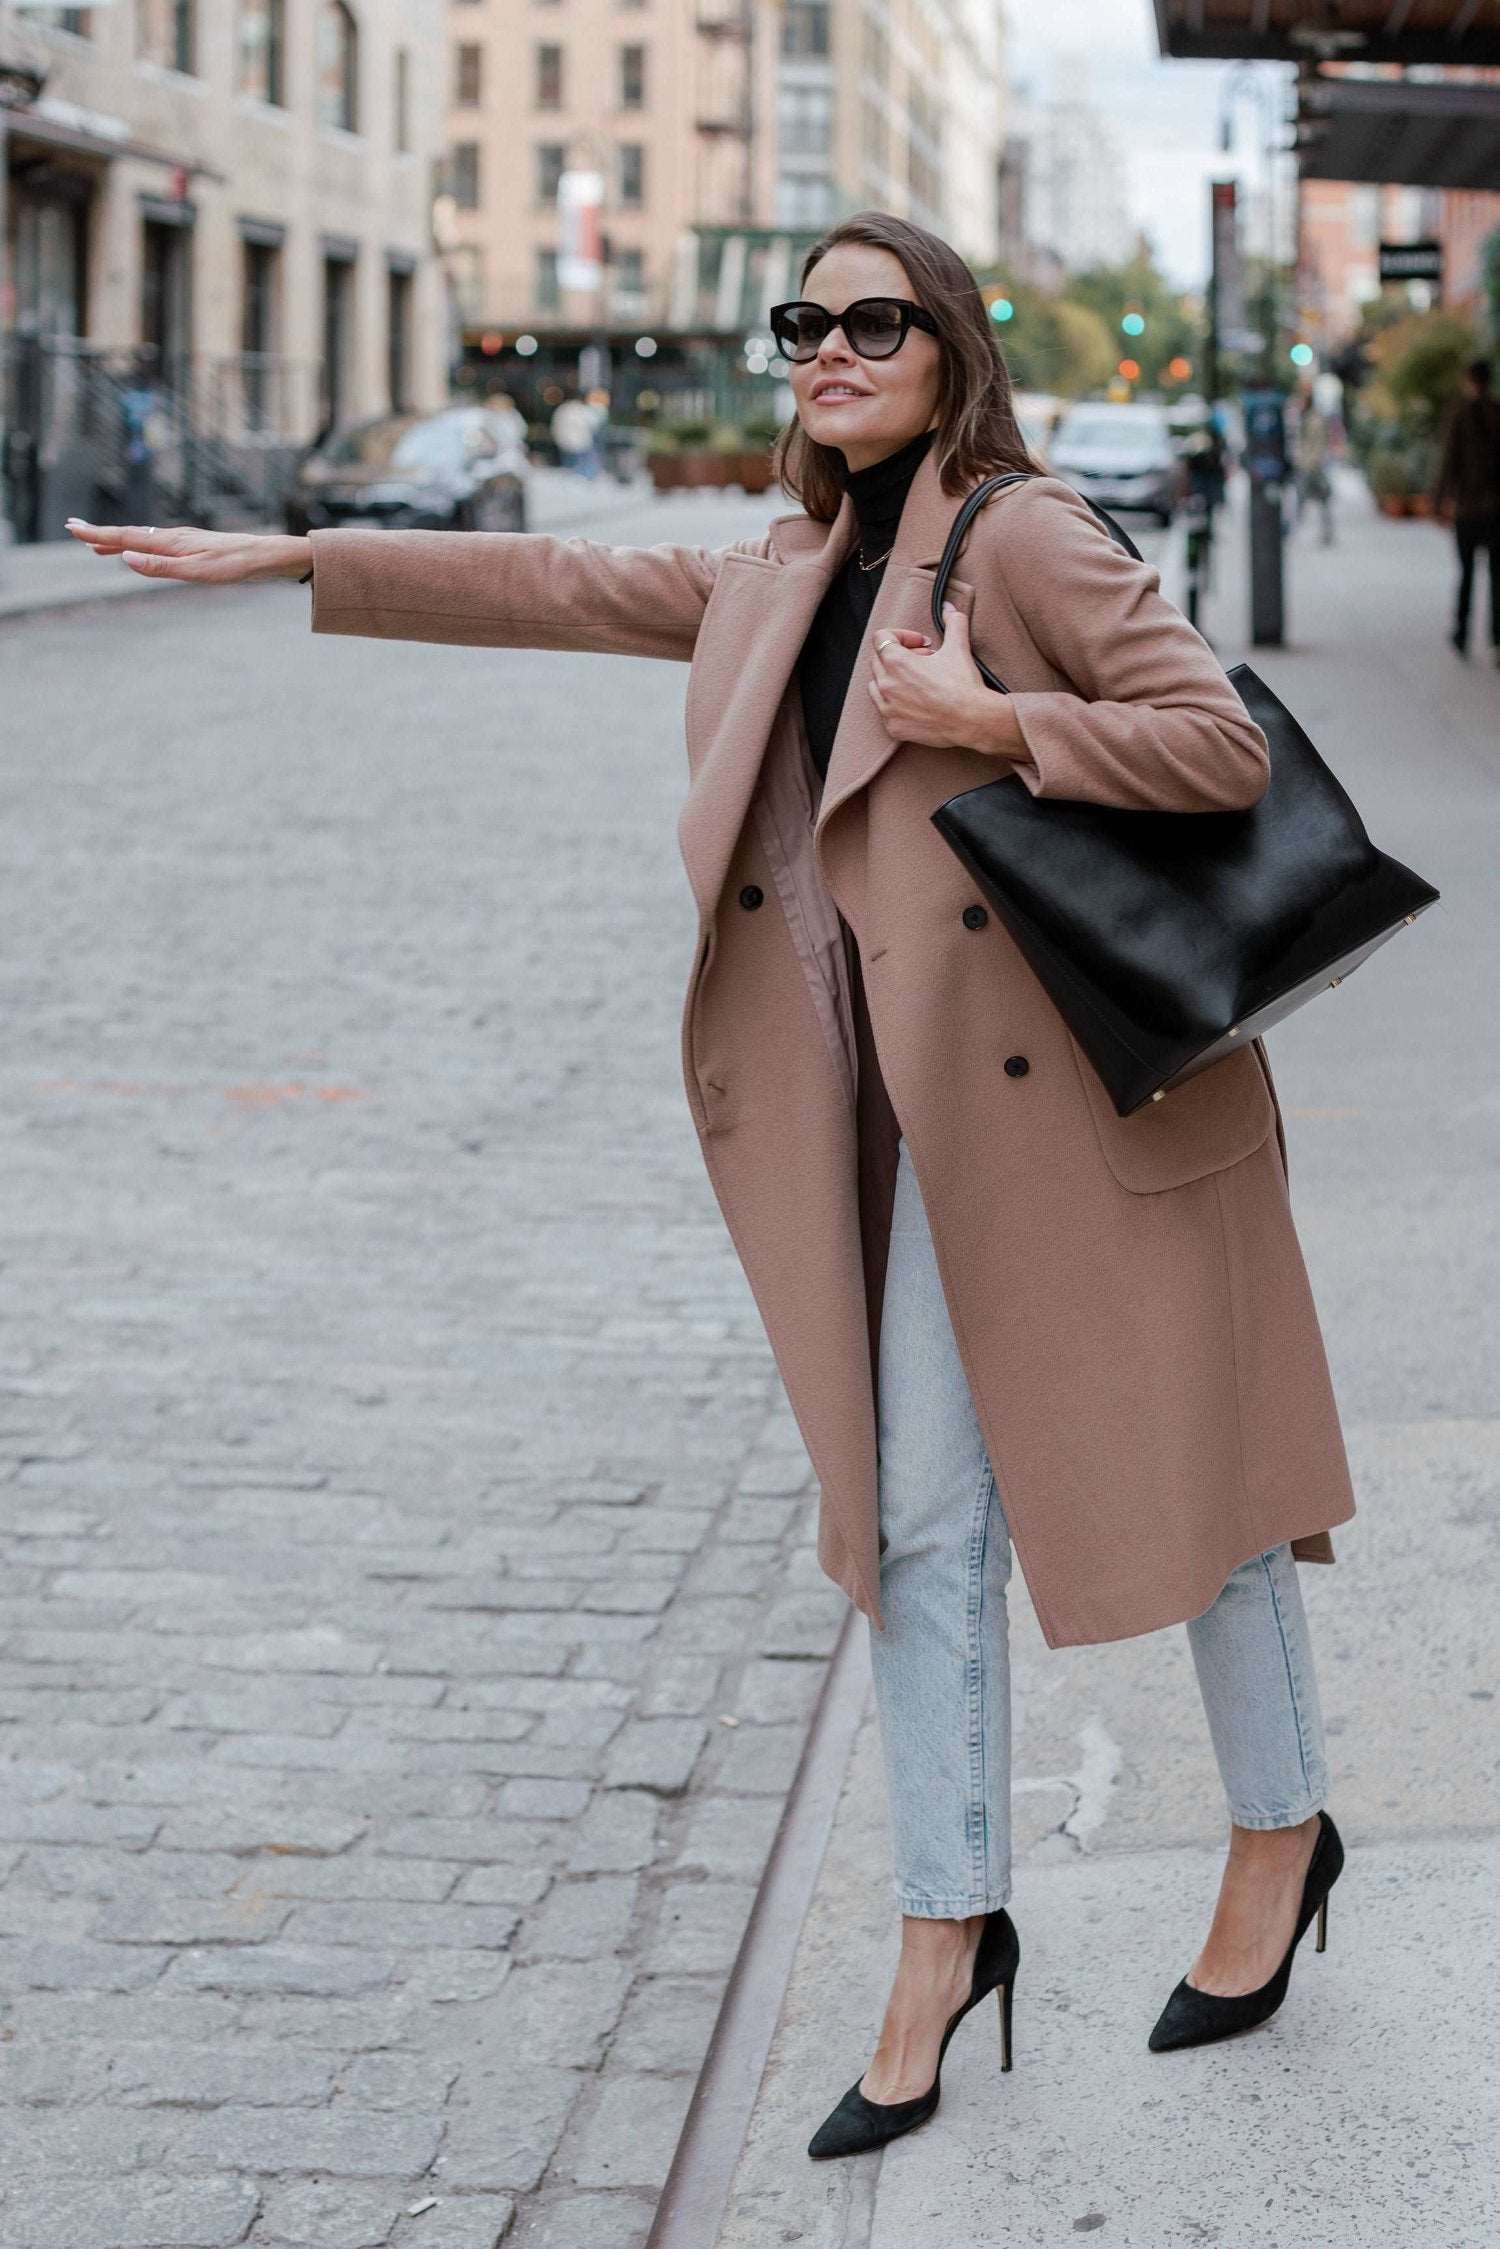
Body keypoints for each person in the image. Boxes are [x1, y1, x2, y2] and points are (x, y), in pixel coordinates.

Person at [62, 209, 1354, 2162]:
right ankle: (948, 1924)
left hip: (1098, 1110)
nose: (827, 351)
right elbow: (568, 574)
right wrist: (296, 553)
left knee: (1205, 1494)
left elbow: (1217, 743)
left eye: (871, 321)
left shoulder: (1016, 534)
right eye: (800, 324)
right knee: (918, 1521)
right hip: (912, 1137)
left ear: (948, 346)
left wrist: (992, 718)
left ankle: (1281, 1829)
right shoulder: (787, 562)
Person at [1434, 356, 1500, 663]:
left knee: (1467, 573)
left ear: (1470, 379)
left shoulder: (1461, 415)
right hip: (1495, 508)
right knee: (1496, 576)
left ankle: (1462, 632)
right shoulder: (1496, 412)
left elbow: (1449, 461)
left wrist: (1439, 499)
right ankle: (1496, 637)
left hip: (1469, 509)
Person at [1291, 397, 1335, 547]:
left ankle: (1292, 530)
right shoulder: (1310, 418)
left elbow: (1317, 443)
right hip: (1311, 464)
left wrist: (1309, 461)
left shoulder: (1313, 420)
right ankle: (1326, 533)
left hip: (1311, 466)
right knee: (1316, 500)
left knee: (1307, 499)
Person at [550, 391, 600, 478]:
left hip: (564, 443)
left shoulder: (562, 409)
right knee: (579, 469)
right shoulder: (582, 410)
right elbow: (595, 424)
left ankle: (570, 482)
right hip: (579, 444)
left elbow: (555, 425)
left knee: (568, 468)